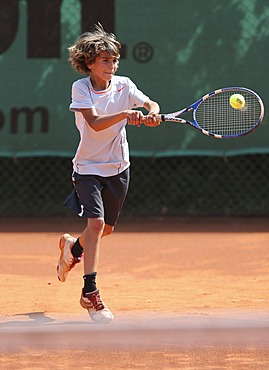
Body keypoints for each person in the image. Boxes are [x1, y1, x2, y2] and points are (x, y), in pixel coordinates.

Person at [57, 23, 160, 323]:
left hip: (118, 167)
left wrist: (151, 111)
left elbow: (148, 102)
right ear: (89, 62)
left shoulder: (125, 85)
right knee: (97, 223)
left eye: (114, 60)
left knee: (105, 230)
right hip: (87, 168)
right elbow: (95, 123)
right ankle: (90, 293)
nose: (112, 65)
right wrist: (127, 114)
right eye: (105, 60)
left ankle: (71, 249)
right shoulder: (81, 88)